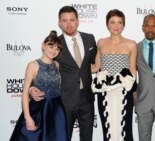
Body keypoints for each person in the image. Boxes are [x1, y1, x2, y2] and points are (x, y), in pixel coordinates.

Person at [29, 6, 97, 141]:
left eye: (72, 20)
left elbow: (95, 63)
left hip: (87, 100)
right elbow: (43, 66)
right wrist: (31, 87)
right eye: (64, 20)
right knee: (63, 137)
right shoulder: (55, 44)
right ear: (59, 23)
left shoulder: (89, 39)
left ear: (78, 21)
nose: (69, 24)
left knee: (87, 138)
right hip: (64, 100)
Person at [10, 30, 69, 141]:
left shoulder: (57, 64)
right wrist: (27, 117)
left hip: (57, 110)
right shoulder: (33, 65)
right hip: (39, 110)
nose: (54, 51)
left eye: (57, 48)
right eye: (51, 46)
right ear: (43, 45)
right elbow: (25, 93)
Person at [91, 9, 137, 141]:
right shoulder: (100, 43)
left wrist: (134, 93)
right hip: (105, 92)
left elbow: (133, 70)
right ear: (107, 25)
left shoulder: (131, 44)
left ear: (123, 25)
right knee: (108, 127)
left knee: (125, 128)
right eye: (112, 22)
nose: (116, 26)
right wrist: (77, 68)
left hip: (124, 91)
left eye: (119, 23)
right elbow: (96, 67)